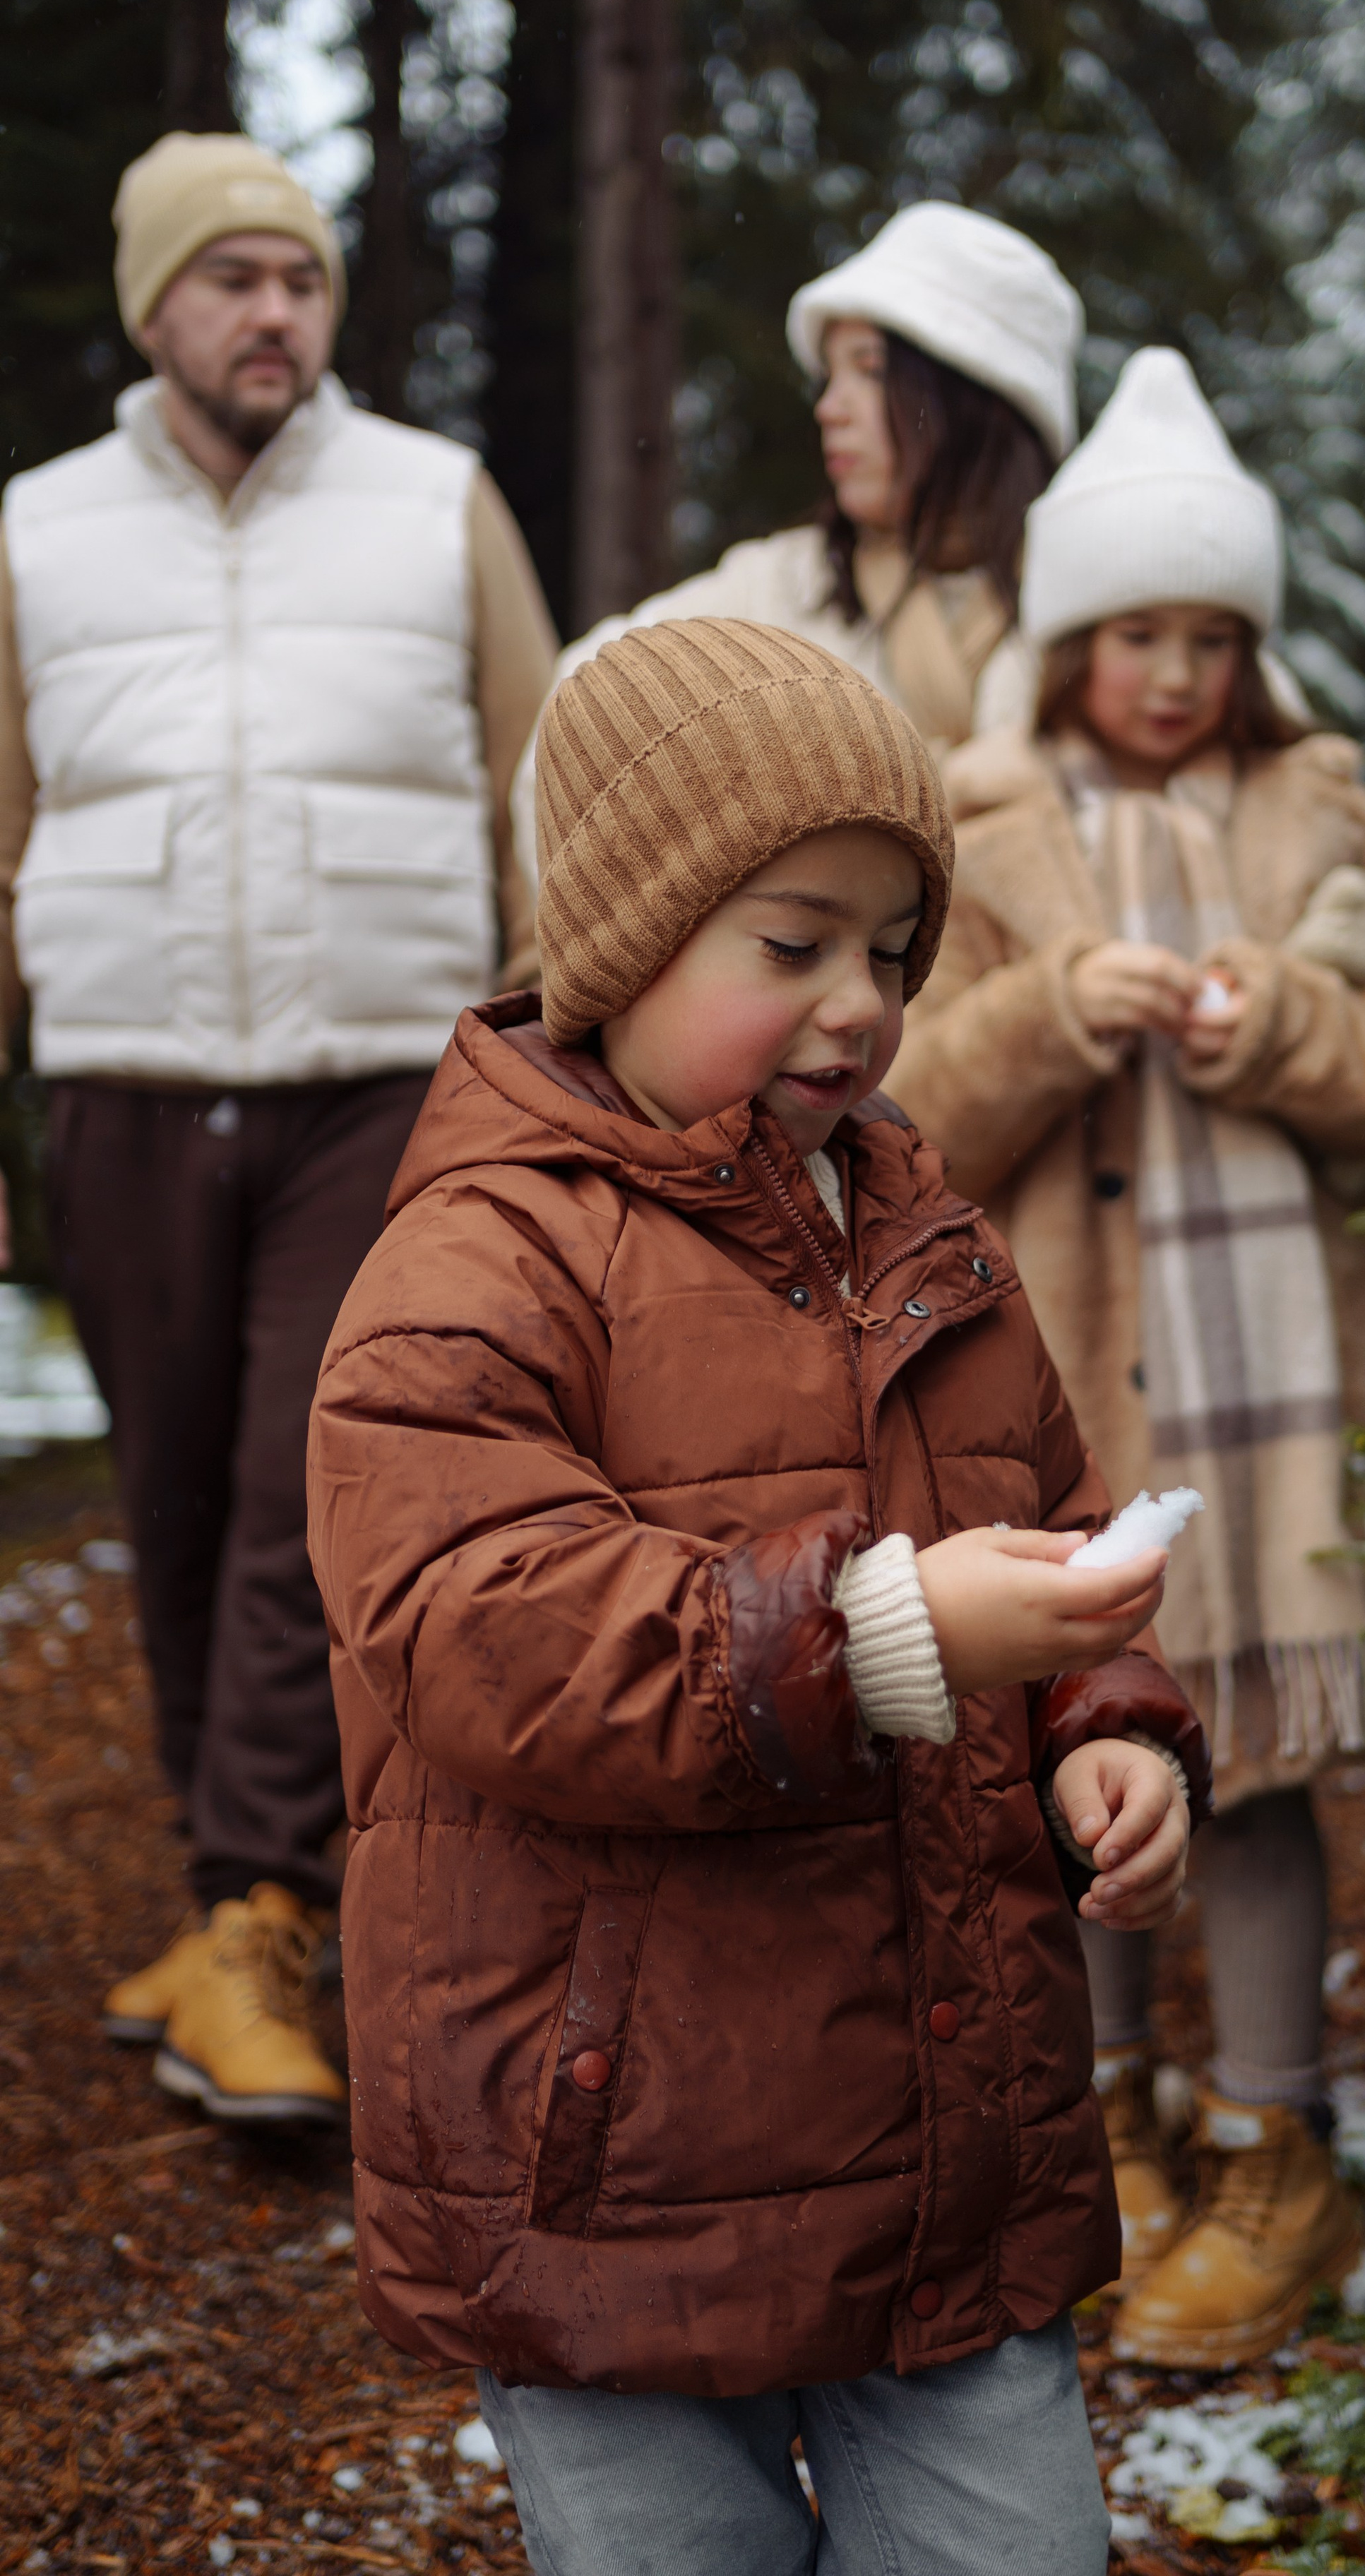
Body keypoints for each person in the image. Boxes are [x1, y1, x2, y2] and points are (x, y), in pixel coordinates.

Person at [305, 616, 1210, 2575]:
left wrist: (1103, 1719)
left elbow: (1034, 1515)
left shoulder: (922, 1226)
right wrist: (881, 1638)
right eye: (791, 943)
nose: (862, 1004)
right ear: (626, 938)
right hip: (615, 2171)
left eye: (892, 952)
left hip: (943, 2141)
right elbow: (484, 1629)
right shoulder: (478, 1257)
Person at [888, 350, 1365, 2368]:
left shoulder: (1316, 802)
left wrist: (1295, 1046)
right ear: (1071, 636)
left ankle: (1279, 2148)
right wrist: (1060, 1009)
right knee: (1087, 1760)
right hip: (1062, 1385)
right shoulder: (979, 823)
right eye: (1137, 630)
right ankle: (1117, 2130)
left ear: (1252, 648)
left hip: (1280, 1414)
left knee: (1253, 1779)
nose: (1173, 672)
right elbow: (892, 1105)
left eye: (1211, 635)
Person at [0, 133, 558, 2125]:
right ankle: (224, 1904)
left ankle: (258, 1908)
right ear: (156, 307)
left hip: (377, 1091)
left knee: (297, 1494)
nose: (272, 314)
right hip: (127, 1093)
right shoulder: (39, 532)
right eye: (231, 281)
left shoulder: (434, 504)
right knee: (170, 1505)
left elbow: (540, 789)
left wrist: (548, 1070)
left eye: (301, 281)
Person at [521, 200, 1082, 851]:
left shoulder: (1106, 614)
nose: (828, 408)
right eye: (828, 375)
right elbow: (575, 713)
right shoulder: (780, 591)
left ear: (974, 401)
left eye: (869, 371)